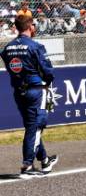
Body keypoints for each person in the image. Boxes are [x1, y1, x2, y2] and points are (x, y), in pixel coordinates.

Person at [3, 13, 58, 178]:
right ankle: (27, 164)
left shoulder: (7, 48)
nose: (34, 28)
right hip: (35, 90)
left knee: (31, 127)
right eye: (33, 25)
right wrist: (47, 81)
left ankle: (45, 160)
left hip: (19, 91)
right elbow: (48, 71)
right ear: (29, 27)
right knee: (36, 126)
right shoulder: (35, 46)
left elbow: (11, 67)